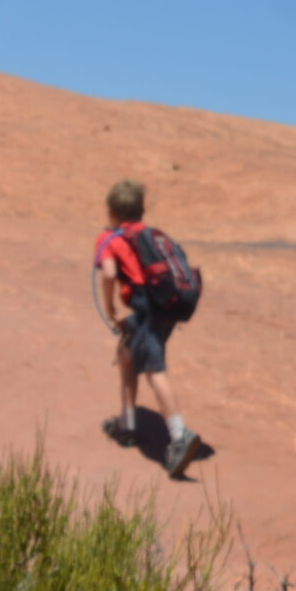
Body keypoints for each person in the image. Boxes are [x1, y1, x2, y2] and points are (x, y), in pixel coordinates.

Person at [95, 179, 202, 475]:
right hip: (168, 305)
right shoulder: (153, 235)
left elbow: (109, 273)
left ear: (111, 212)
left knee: (154, 369)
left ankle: (180, 436)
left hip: (149, 310)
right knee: (128, 355)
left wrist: (110, 307)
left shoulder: (110, 238)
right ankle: (127, 424)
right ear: (141, 211)